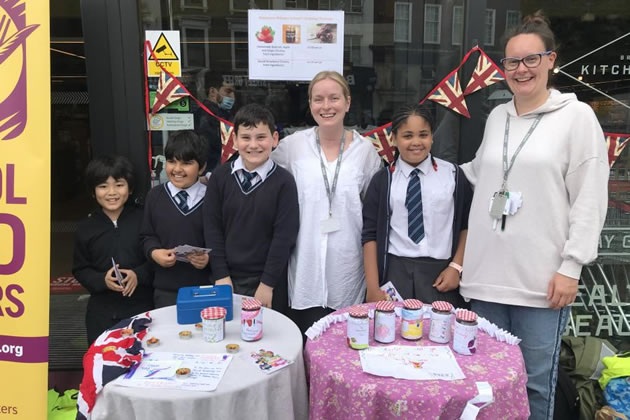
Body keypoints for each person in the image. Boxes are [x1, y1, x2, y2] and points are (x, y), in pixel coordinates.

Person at [459, 11, 608, 420]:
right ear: (503, 67)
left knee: (535, 383)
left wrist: (572, 266)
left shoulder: (577, 118)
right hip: (486, 280)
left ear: (550, 61)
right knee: (486, 382)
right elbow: (480, 175)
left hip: (541, 284)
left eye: (531, 59)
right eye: (512, 61)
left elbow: (591, 197)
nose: (521, 69)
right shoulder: (497, 117)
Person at [272, 70, 382, 335]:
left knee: (345, 353)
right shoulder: (292, 147)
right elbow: (261, 174)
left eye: (334, 98)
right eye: (318, 99)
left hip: (347, 272)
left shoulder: (365, 152)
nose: (326, 106)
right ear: (310, 105)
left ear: (347, 102)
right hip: (305, 271)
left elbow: (373, 214)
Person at [362, 104, 472, 306]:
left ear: (432, 137)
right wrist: (372, 287)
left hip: (441, 275)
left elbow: (467, 225)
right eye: (407, 135)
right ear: (394, 139)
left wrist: (456, 267)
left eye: (423, 134)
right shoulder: (383, 180)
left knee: (440, 334)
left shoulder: (453, 176)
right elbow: (370, 235)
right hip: (395, 273)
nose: (416, 142)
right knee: (393, 335)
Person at [204, 103, 299, 313]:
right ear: (235, 139)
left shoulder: (284, 182)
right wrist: (221, 275)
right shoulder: (220, 177)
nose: (253, 145)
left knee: (267, 341)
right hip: (226, 279)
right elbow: (212, 229)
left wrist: (267, 284)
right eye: (246, 137)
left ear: (274, 139)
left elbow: (284, 237)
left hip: (267, 283)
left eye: (261, 137)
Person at [73, 156, 154, 344]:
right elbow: (80, 269)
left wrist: (138, 275)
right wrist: (102, 280)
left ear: (130, 188)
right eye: (103, 186)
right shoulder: (86, 228)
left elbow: (156, 259)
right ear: (93, 192)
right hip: (102, 313)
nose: (111, 192)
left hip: (142, 307)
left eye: (119, 185)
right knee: (104, 362)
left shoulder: (144, 219)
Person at [141, 131, 211, 308]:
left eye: (187, 163)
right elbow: (147, 235)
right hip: (166, 289)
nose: (177, 169)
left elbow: (222, 238)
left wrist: (208, 259)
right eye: (172, 161)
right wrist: (154, 252)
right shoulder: (155, 196)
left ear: (202, 167)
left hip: (205, 288)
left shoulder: (212, 199)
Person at [194, 71, 236, 174]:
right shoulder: (208, 116)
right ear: (213, 91)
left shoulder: (221, 114)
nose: (232, 97)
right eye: (228, 91)